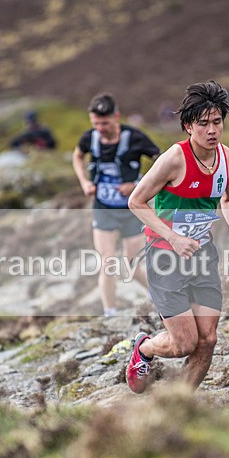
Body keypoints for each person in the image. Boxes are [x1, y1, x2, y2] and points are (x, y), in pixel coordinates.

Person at [126, 81, 229, 393]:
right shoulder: (174, 159)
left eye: (217, 122)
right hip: (165, 256)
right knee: (185, 343)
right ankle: (144, 349)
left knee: (208, 340)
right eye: (203, 124)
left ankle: (178, 404)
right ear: (188, 126)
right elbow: (136, 202)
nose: (212, 130)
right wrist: (172, 237)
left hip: (203, 255)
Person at [72, 93, 161, 316]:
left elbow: (161, 162)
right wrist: (84, 182)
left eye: (105, 123)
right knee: (107, 262)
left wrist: (137, 185)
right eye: (95, 123)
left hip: (132, 208)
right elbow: (77, 156)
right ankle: (109, 312)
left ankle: (156, 295)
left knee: (131, 263)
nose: (100, 128)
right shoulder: (89, 138)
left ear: (116, 117)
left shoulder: (135, 137)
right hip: (103, 208)